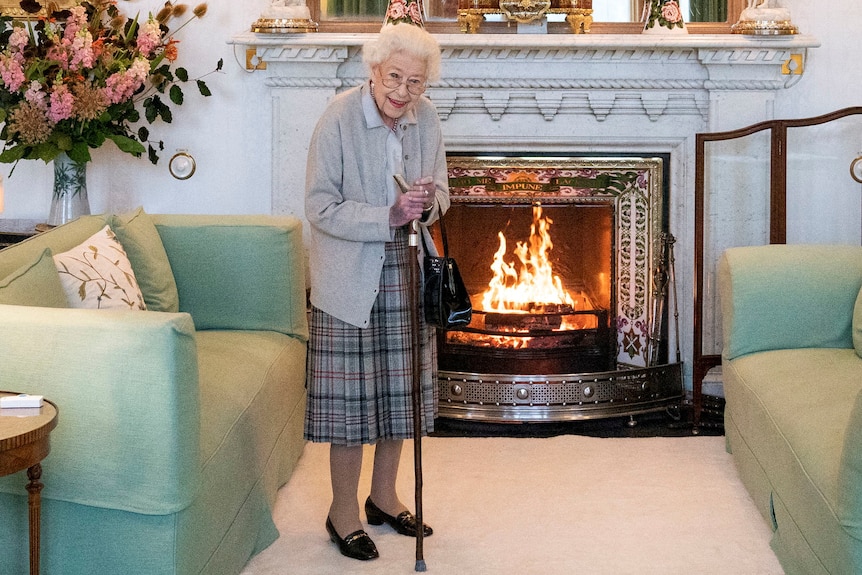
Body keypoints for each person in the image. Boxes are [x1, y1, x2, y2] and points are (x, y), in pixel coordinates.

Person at [304, 22, 449, 561]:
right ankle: (342, 512)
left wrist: (426, 202)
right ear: (373, 70)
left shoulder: (426, 118)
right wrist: (387, 214)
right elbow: (318, 207)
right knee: (351, 406)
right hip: (349, 276)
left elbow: (443, 195)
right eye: (395, 77)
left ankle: (383, 498)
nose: (403, 92)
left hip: (408, 269)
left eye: (415, 82)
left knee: (398, 394)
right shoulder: (339, 117)